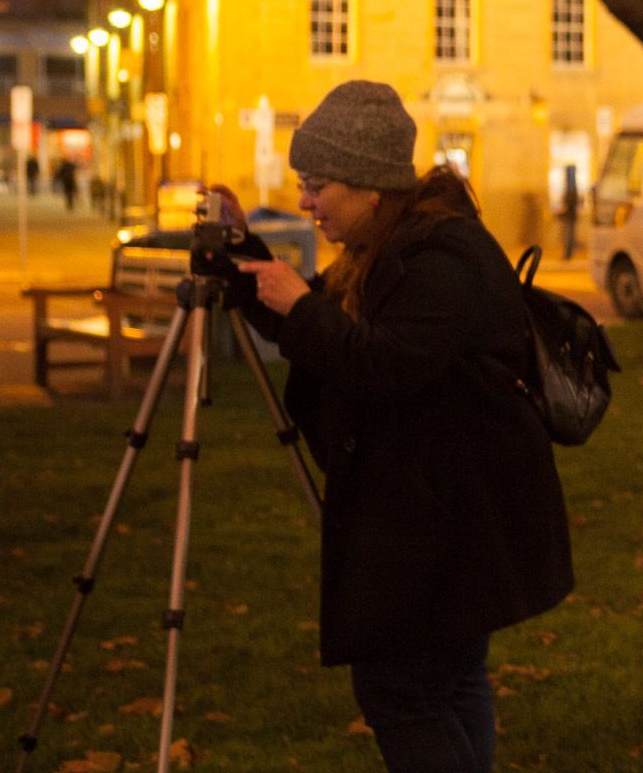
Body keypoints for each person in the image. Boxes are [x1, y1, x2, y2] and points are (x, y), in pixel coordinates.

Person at [209, 80, 573, 772]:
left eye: (318, 186)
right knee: (449, 681)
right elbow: (322, 328)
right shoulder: (388, 246)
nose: (306, 202)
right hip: (446, 511)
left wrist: (300, 306)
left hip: (450, 518)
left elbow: (384, 364)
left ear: (371, 186)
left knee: (402, 693)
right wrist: (242, 252)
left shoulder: (443, 258)